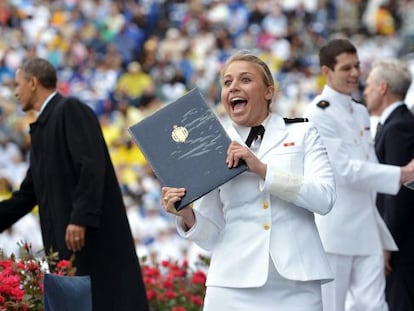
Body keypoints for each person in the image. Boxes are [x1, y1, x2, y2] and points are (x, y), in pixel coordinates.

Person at [161, 51, 336, 310]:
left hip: (297, 282)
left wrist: (263, 170)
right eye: (227, 82)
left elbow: (325, 198)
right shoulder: (209, 145)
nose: (234, 87)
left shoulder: (302, 132)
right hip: (231, 283)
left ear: (268, 92)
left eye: (245, 80)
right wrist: (187, 215)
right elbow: (211, 236)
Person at [0, 57, 149, 311]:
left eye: (17, 84)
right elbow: (27, 194)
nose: (14, 92)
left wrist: (80, 217)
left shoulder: (69, 110)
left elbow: (91, 165)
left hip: (91, 240)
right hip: (67, 245)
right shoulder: (42, 128)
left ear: (33, 83)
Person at [303, 38, 414, 311]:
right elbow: (343, 170)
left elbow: (370, 164)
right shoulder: (318, 113)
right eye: (346, 68)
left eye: (357, 66)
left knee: (374, 306)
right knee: (332, 306)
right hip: (335, 231)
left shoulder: (361, 112)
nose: (355, 73)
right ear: (326, 72)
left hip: (366, 229)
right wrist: (402, 173)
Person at [364, 59, 414, 311]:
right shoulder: (398, 123)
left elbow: (398, 192)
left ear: (382, 88)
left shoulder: (398, 127)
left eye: (369, 85)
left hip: (402, 246)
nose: (365, 90)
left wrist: (386, 244)